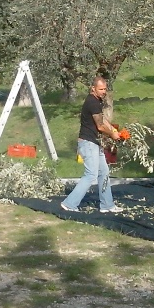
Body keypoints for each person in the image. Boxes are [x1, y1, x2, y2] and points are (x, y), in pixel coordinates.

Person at [61, 77, 123, 214]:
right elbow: (100, 126)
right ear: (93, 88)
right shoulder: (92, 102)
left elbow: (103, 120)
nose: (104, 92)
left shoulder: (97, 101)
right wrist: (112, 135)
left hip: (95, 143)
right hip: (88, 143)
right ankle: (69, 204)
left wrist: (113, 130)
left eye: (105, 89)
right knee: (91, 174)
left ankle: (107, 205)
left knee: (104, 172)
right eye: (101, 89)